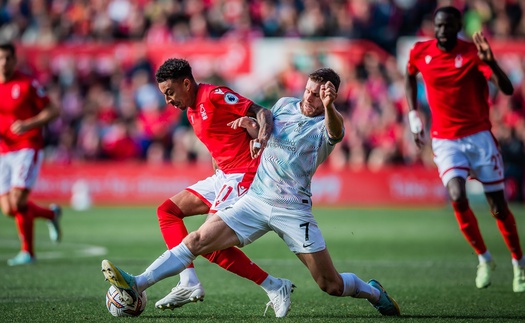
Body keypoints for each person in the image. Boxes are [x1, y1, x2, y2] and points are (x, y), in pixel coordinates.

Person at [101, 68, 400, 317]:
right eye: (309, 90)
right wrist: (251, 128)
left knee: (330, 285)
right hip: (255, 200)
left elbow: (336, 133)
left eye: (318, 94)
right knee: (198, 239)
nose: (310, 97)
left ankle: (372, 291)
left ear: (329, 96)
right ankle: (138, 283)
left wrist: (329, 106)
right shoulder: (284, 104)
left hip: (292, 209)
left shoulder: (326, 124)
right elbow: (267, 131)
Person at [147, 58, 294, 316]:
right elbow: (220, 140)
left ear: (186, 83)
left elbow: (262, 112)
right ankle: (188, 281)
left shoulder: (215, 95)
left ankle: (272, 285)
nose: (168, 100)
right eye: (164, 95)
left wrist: (260, 138)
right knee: (167, 211)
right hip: (223, 176)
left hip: (242, 175)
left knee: (204, 242)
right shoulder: (191, 111)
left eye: (170, 92)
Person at [405, 6, 525, 292]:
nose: (442, 31)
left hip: (479, 138)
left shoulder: (472, 52)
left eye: (448, 26)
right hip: (445, 140)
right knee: (457, 195)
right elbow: (409, 75)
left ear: (458, 25)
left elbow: (507, 89)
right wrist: (413, 116)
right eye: (438, 26)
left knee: (498, 208)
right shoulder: (421, 51)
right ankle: (484, 258)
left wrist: (492, 63)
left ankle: (519, 264)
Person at [0, 42, 62, 266]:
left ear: (15, 60)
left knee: (18, 201)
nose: (4, 63)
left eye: (8, 58)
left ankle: (28, 252)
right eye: (1, 58)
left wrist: (28, 124)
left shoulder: (27, 84)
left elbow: (53, 110)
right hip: (4, 151)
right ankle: (51, 215)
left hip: (27, 146)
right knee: (8, 208)